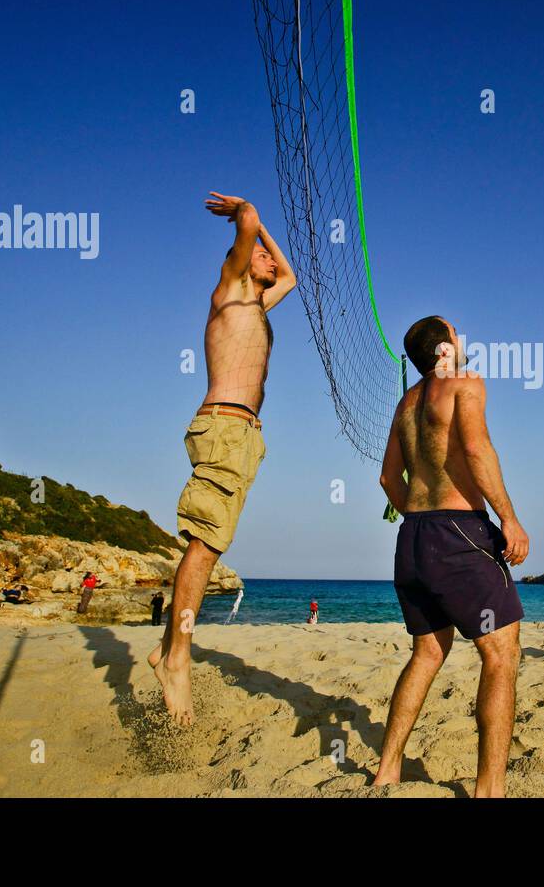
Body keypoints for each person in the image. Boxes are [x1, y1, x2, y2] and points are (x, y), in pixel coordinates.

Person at [147, 192, 297, 727]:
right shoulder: (230, 289)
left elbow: (292, 278)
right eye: (260, 255)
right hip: (223, 424)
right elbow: (250, 229)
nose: (268, 259)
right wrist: (247, 213)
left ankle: (170, 652)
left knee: (210, 546)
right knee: (204, 544)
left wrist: (267, 241)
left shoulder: (257, 302)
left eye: (266, 256)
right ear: (240, 263)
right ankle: (176, 659)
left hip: (245, 435)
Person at [372, 316, 529, 798]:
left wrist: (419, 516)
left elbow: (387, 479)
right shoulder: (463, 382)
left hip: (413, 538)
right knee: (501, 655)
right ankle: (490, 789)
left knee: (427, 652)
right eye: (457, 334)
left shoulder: (406, 403)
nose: (463, 340)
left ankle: (387, 772)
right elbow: (478, 450)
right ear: (444, 349)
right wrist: (510, 519)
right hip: (458, 533)